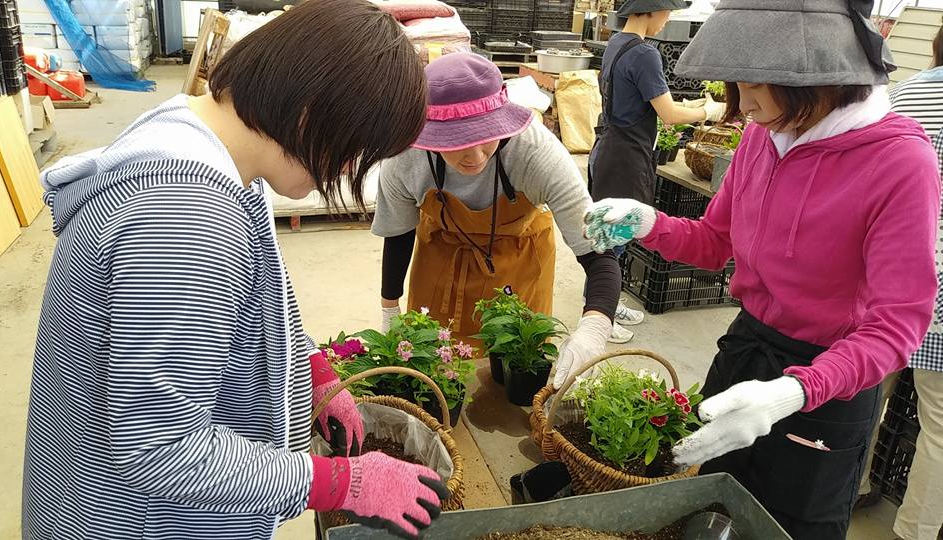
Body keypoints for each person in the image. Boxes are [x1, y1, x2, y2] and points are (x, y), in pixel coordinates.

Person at [21, 2, 448, 539]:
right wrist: (338, 482)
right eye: (354, 151)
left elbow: (251, 302)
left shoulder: (200, 136)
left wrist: (312, 369)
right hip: (133, 520)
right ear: (311, 111)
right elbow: (161, 449)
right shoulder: (183, 216)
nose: (345, 169)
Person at [583, 1, 940, 538]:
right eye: (736, 82)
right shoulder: (761, 136)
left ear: (817, 75)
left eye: (755, 83)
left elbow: (897, 324)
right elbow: (715, 241)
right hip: (746, 350)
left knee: (788, 525)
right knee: (708, 500)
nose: (742, 102)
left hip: (830, 380)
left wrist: (793, 392)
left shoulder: (899, 161)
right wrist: (649, 222)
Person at [372, 52, 627, 388]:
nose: (475, 156)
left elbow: (598, 254)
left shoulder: (536, 153)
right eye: (458, 143)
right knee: (431, 371)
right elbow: (399, 235)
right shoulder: (405, 158)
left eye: (486, 137)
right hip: (442, 262)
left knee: (514, 371)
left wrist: (595, 327)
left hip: (519, 264)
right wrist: (389, 310)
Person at [853, 25, 943, 540]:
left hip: (882, 274)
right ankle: (915, 531)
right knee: (939, 426)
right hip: (938, 289)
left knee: (866, 391)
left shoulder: (905, 93)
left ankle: (851, 485)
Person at [588, 0, 725, 208]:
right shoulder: (645, 54)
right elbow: (669, 115)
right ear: (653, 9)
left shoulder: (615, 43)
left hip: (605, 154)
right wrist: (708, 111)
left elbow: (631, 100)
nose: (668, 19)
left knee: (605, 224)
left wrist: (687, 105)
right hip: (627, 164)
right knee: (626, 225)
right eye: (668, 11)